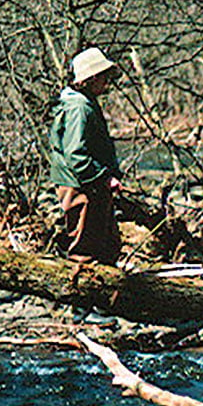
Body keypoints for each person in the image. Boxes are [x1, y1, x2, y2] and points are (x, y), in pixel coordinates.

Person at [49, 47, 124, 265]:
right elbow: (75, 154)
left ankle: (106, 295)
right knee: (85, 252)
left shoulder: (83, 102)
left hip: (87, 184)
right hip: (80, 186)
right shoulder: (79, 107)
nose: (107, 82)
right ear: (91, 79)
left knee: (106, 247)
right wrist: (105, 178)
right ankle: (80, 296)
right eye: (103, 77)